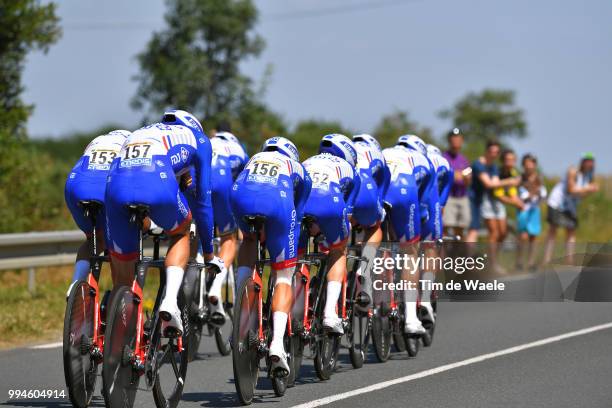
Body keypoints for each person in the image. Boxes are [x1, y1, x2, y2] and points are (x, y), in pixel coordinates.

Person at [105, 110, 225, 336]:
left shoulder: (145, 131)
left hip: (115, 185)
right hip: (155, 177)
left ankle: (120, 342)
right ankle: (170, 303)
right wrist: (208, 253)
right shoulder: (199, 139)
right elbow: (203, 202)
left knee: (123, 278)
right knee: (182, 230)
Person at [230, 136, 311, 375]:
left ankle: (241, 309)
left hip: (240, 198)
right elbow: (298, 215)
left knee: (249, 239)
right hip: (278, 203)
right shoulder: (298, 169)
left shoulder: (255, 158)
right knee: (283, 275)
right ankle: (276, 342)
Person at [300, 134, 360, 335]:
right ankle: (329, 314)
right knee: (338, 249)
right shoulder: (350, 170)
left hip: (300, 207)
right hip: (328, 204)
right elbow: (347, 215)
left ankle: (298, 299)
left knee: (296, 255)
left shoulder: (307, 160)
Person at [64, 129, 131, 295]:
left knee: (94, 241)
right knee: (119, 245)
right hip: (105, 186)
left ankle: (75, 284)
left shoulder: (97, 140)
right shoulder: (131, 142)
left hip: (75, 186)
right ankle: (120, 296)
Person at [382, 135, 433, 334]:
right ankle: (411, 319)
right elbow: (424, 204)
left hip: (382, 191)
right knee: (410, 250)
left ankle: (367, 273)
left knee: (380, 238)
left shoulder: (386, 151)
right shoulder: (424, 161)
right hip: (404, 189)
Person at [206, 131, 249, 322]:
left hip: (198, 180)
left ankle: (192, 284)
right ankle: (215, 287)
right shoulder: (239, 150)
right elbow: (244, 190)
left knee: (196, 234)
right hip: (222, 183)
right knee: (229, 239)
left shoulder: (207, 142)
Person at [466, 140, 520, 274]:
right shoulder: (479, 165)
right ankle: (491, 264)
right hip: (480, 200)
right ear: (486, 151)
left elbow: (496, 183)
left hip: (494, 201)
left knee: (503, 232)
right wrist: (510, 182)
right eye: (492, 151)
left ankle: (489, 257)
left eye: (496, 152)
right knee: (493, 232)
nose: (494, 154)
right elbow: (489, 184)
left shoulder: (495, 167)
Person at [351, 134, 389, 310]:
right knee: (374, 227)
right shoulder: (376, 153)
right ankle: (365, 267)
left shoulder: (345, 146)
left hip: (346, 189)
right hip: (367, 190)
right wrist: (379, 207)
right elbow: (383, 183)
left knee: (338, 239)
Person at [543, 153, 599, 265]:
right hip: (557, 202)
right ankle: (546, 260)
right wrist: (588, 188)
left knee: (571, 231)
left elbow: (581, 195)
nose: (589, 163)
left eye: (591, 161)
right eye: (587, 161)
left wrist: (589, 191)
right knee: (553, 230)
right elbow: (571, 189)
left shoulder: (588, 176)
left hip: (570, 206)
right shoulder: (573, 171)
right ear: (583, 162)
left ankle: (569, 260)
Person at [516, 154, 547, 272]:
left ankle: (531, 262)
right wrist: (529, 194)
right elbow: (520, 194)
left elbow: (543, 194)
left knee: (533, 237)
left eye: (531, 163)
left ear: (535, 165)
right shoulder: (520, 178)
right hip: (523, 209)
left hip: (534, 209)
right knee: (522, 236)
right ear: (523, 165)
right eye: (526, 163)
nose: (529, 166)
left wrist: (539, 195)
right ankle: (519, 261)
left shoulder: (539, 178)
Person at [442, 128, 472, 238]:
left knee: (462, 228)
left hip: (462, 197)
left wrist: (464, 177)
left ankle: (457, 254)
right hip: (448, 197)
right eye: (453, 138)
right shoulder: (443, 157)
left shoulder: (464, 159)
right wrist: (456, 175)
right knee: (445, 226)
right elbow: (445, 176)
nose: (456, 141)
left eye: (458, 138)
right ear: (449, 140)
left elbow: (467, 180)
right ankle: (444, 254)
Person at [493, 149, 523, 243]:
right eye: (507, 159)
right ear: (503, 160)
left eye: (512, 159)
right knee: (495, 233)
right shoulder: (497, 172)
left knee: (503, 233)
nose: (510, 162)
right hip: (490, 202)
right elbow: (499, 196)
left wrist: (519, 203)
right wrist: (516, 203)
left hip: (499, 204)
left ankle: (493, 255)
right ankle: (490, 256)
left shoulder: (513, 173)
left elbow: (512, 193)